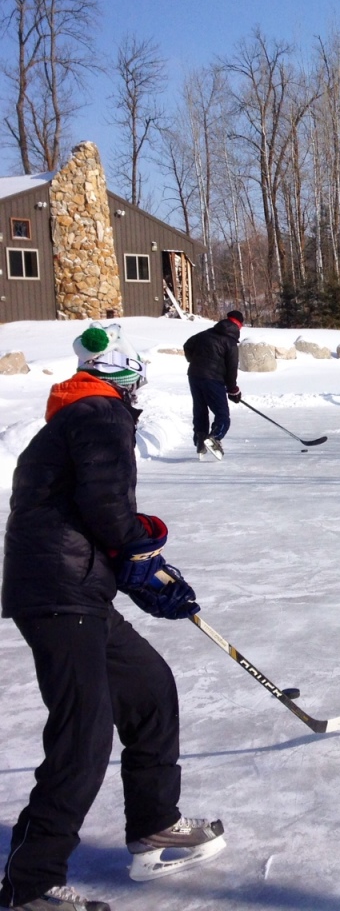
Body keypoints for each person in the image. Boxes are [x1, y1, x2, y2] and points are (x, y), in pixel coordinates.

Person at [0, 323, 224, 911]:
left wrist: (136, 552)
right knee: (85, 732)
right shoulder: (99, 413)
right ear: (124, 378)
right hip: (59, 593)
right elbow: (105, 506)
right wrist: (140, 555)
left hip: (76, 588)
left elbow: (94, 505)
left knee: (149, 689)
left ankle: (154, 824)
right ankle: (29, 885)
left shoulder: (77, 413)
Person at [183, 311, 244, 460]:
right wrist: (233, 389)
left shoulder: (205, 334)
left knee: (200, 410)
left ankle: (200, 439)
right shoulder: (230, 342)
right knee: (222, 414)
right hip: (213, 379)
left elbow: (187, 345)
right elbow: (231, 369)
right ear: (239, 326)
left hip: (194, 376)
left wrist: (195, 360)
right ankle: (215, 437)